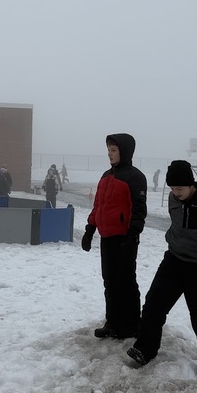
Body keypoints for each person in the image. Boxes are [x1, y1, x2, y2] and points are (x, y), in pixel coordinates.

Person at [126, 160, 197, 381]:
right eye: (172, 188)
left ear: (190, 185)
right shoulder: (173, 198)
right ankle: (145, 349)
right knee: (153, 306)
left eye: (180, 188)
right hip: (174, 259)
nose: (176, 193)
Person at [80, 133, 147, 339]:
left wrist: (132, 235)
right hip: (107, 237)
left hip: (125, 238)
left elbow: (139, 210)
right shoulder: (105, 176)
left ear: (124, 151)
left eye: (113, 150)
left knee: (126, 281)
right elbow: (98, 205)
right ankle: (112, 322)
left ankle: (131, 324)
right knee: (109, 280)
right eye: (108, 149)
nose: (109, 154)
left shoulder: (135, 177)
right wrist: (90, 229)